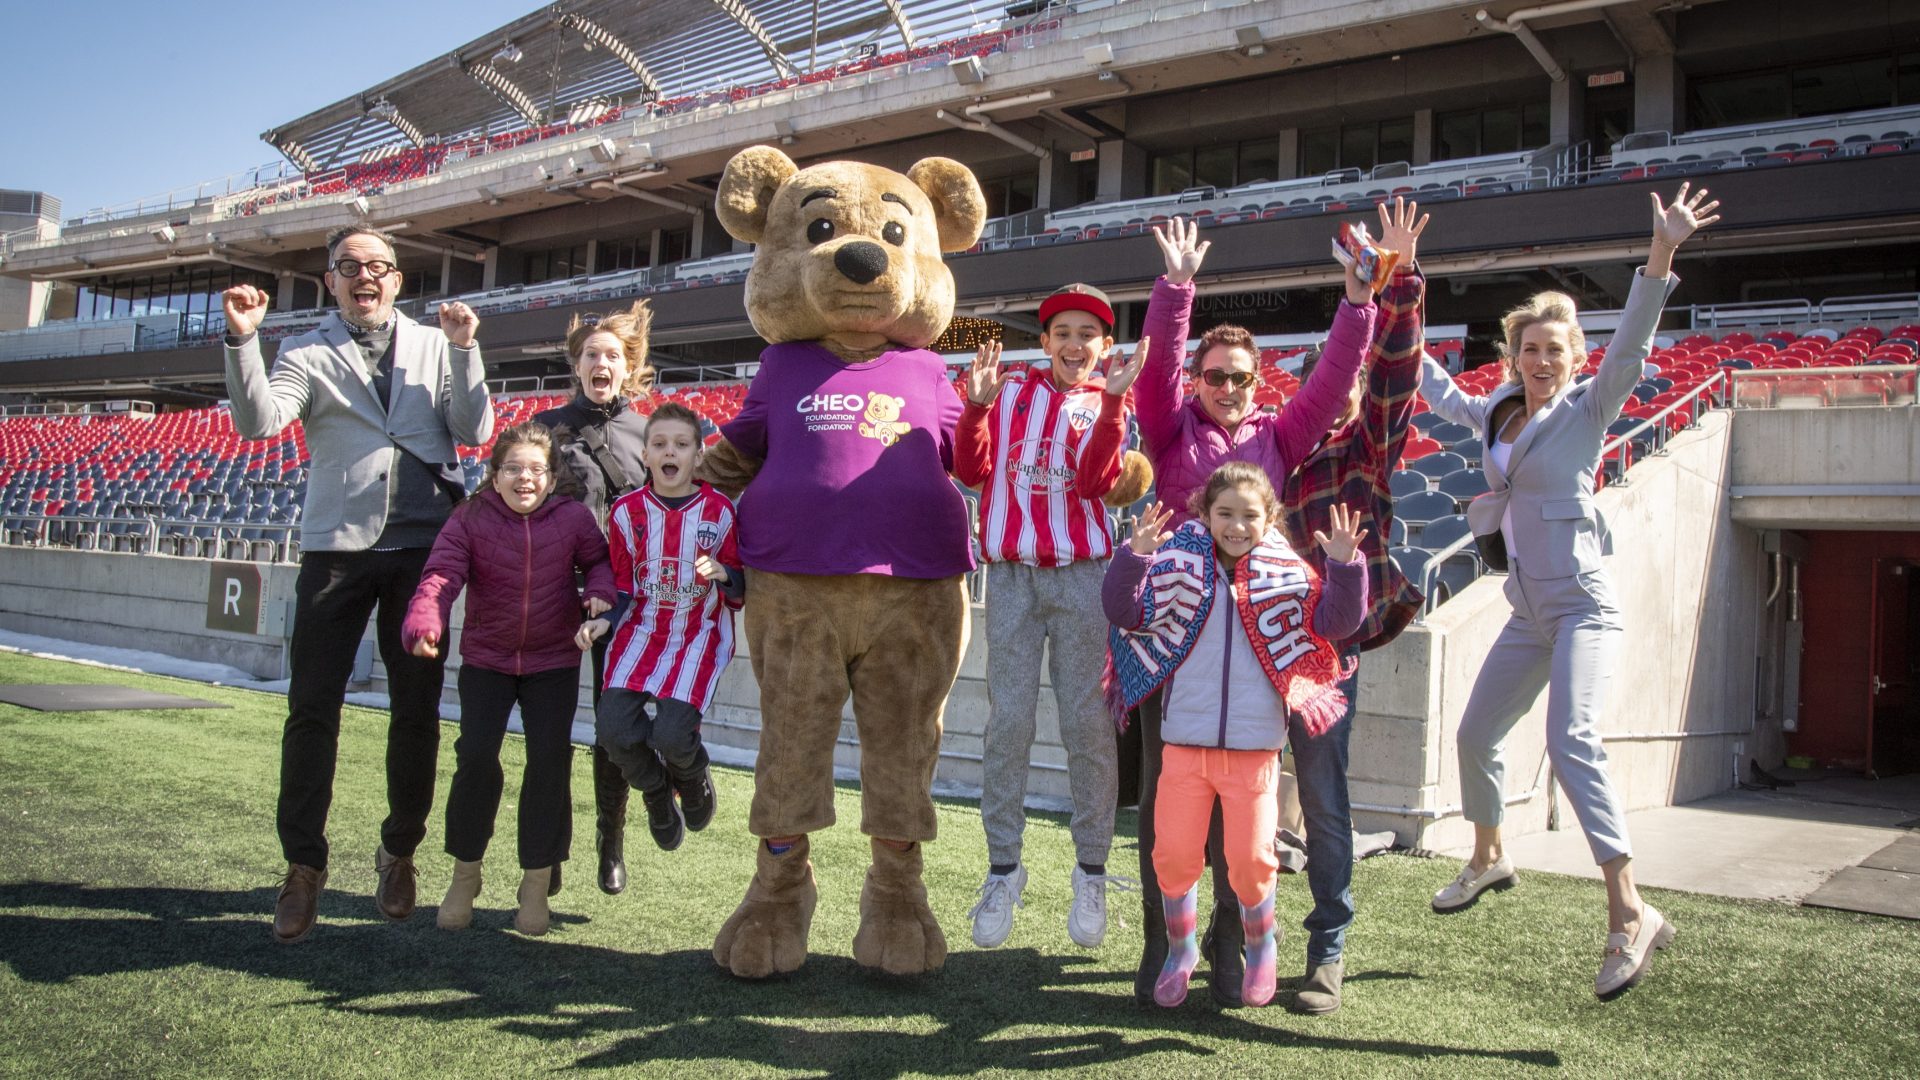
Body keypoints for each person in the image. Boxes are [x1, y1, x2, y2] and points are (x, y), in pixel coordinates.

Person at [1417, 184, 1721, 999]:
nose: (1541, 359)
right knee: (1475, 735)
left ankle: (1629, 913)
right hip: (1527, 611)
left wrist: (1660, 252)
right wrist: (1391, 311)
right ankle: (1489, 855)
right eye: (1530, 348)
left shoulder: (1588, 412)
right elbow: (1439, 393)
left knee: (1571, 742)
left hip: (1584, 605)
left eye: (1556, 349)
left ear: (1574, 357)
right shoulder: (1497, 413)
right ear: (1514, 354)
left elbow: (1632, 347)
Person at [1127, 218, 1376, 1005]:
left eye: (1238, 377)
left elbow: (1333, 382)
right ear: (1198, 380)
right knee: (1167, 802)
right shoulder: (1169, 429)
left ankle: (1230, 943)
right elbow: (1153, 374)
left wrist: (1357, 304)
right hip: (1173, 636)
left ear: (1255, 381)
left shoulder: (1280, 436)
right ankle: (1162, 943)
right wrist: (1176, 289)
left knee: (1242, 808)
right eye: (1213, 376)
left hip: (1255, 641)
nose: (1226, 387)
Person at [220, 224, 491, 944]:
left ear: (397, 279)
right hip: (335, 551)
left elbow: (474, 429)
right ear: (331, 281)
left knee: (417, 711)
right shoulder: (303, 350)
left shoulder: (437, 343)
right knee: (311, 709)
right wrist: (243, 341)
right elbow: (260, 423)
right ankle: (303, 866)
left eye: (377, 265)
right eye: (349, 266)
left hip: (423, 554)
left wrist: (465, 350)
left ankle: (399, 851)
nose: (364, 275)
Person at [1104, 463, 1369, 1007]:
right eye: (1225, 513)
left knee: (1250, 864)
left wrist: (1346, 567)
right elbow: (1123, 611)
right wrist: (1134, 557)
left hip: (1253, 753)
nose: (1237, 525)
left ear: (1270, 518)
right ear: (1205, 514)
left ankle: (1261, 943)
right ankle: (1181, 951)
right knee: (1172, 858)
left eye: (1250, 515)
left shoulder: (1286, 575)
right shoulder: (1176, 566)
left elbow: (1337, 623)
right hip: (1184, 746)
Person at [1274, 196, 1433, 1015]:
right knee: (1230, 791)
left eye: (1344, 383)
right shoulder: (1273, 460)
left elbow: (1396, 377)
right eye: (1322, 385)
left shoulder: (1364, 450)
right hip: (1249, 645)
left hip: (1325, 654)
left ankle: (1326, 947)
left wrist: (1398, 282)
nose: (1334, 396)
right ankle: (1237, 937)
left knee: (1323, 798)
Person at [956, 284, 1148, 952]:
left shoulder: (1110, 401)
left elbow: (1095, 483)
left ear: (1104, 345)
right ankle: (1003, 868)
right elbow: (971, 470)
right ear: (1044, 341)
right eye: (1062, 332)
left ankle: (1091, 870)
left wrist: (1115, 403)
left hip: (1083, 577)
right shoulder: (1006, 391)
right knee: (1008, 722)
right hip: (1011, 576)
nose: (1074, 344)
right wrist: (975, 408)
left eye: (1087, 334)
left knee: (1087, 725)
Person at [400, 422, 615, 935]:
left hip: (554, 663)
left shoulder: (574, 518)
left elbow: (600, 564)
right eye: (513, 468)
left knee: (548, 766)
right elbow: (441, 575)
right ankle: (465, 875)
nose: (525, 478)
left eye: (536, 470)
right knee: (475, 759)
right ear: (495, 475)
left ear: (552, 479)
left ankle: (535, 884)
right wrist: (425, 618)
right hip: (487, 660)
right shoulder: (470, 516)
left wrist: (599, 594)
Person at [577, 403, 744, 854]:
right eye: (660, 444)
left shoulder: (720, 512)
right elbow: (622, 583)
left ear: (697, 454)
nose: (670, 452)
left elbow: (739, 589)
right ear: (646, 456)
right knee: (613, 731)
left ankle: (691, 774)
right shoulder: (625, 513)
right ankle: (655, 791)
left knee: (672, 736)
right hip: (640, 633)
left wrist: (724, 575)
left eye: (681, 444)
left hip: (697, 637)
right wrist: (604, 619)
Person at [533, 302, 655, 896]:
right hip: (556, 590)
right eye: (590, 355)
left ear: (628, 366)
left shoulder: (651, 432)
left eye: (611, 355)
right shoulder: (544, 427)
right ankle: (547, 848)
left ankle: (611, 840)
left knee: (614, 726)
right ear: (576, 366)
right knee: (549, 728)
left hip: (626, 598)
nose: (600, 363)